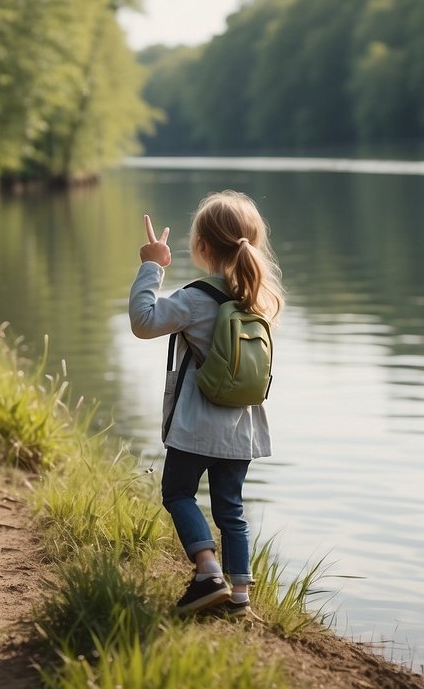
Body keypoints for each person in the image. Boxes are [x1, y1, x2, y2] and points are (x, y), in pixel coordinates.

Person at [128, 190, 285, 617]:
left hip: (198, 423)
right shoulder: (261, 299)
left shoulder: (196, 298)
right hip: (244, 426)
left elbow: (144, 323)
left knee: (178, 493)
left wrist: (150, 265)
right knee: (231, 507)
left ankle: (207, 570)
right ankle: (239, 599)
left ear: (200, 247)